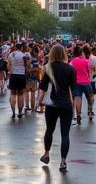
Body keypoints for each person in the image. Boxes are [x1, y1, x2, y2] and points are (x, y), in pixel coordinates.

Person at [39, 44, 76, 172]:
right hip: (66, 104)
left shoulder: (48, 68)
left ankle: (46, 154)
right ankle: (63, 161)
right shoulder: (70, 69)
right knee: (65, 134)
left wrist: (40, 101)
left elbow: (43, 87)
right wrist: (73, 105)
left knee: (49, 130)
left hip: (52, 104)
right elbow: (73, 89)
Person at [26, 45, 41, 114]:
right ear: (35, 52)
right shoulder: (35, 59)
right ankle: (32, 107)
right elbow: (37, 69)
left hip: (26, 77)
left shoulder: (27, 57)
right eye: (37, 52)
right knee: (32, 93)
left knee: (26, 92)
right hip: (33, 78)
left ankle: (27, 106)